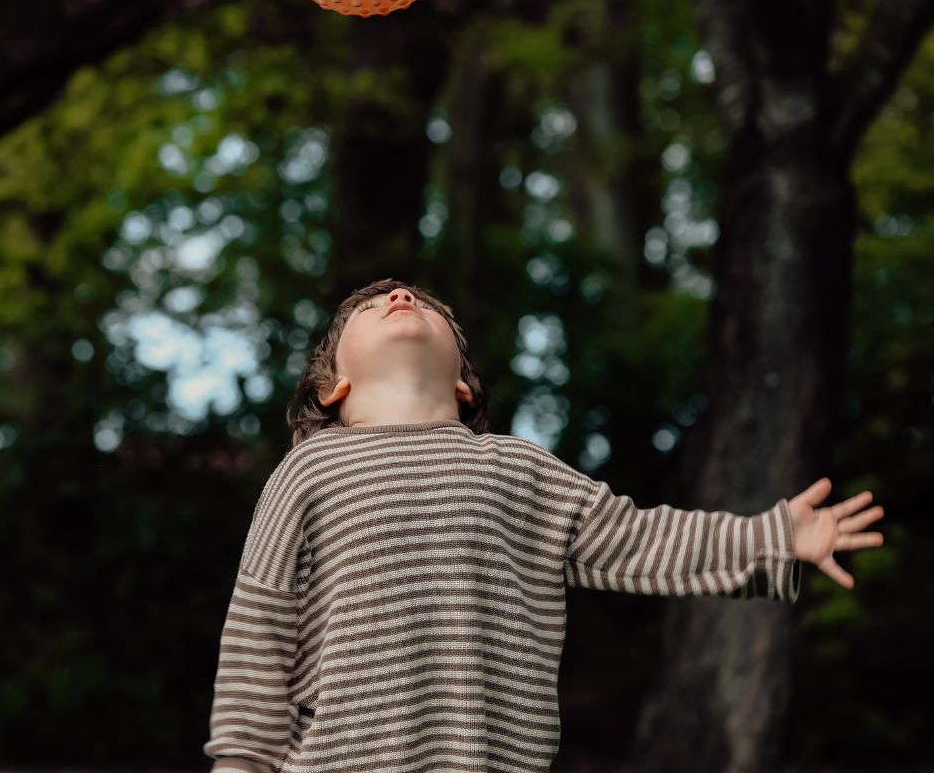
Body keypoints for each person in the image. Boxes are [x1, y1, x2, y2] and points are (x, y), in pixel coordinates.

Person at [202, 279, 885, 773]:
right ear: (334, 388)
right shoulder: (310, 469)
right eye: (371, 305)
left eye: (426, 305)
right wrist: (239, 762)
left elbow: (642, 541)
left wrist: (774, 535)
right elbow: (260, 629)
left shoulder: (519, 468)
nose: (402, 297)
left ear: (465, 385)